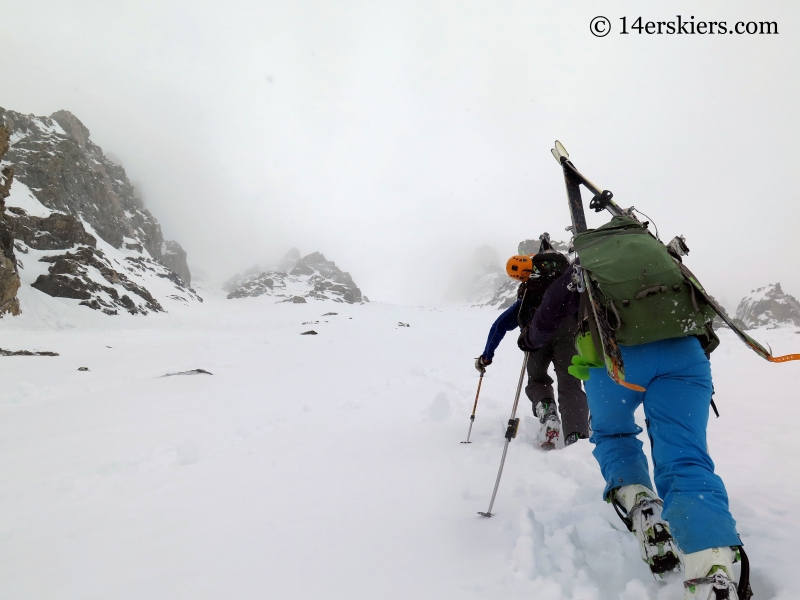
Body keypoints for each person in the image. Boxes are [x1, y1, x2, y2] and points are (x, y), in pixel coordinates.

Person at [518, 215, 746, 599]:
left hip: (615, 362)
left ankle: (640, 502)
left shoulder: (583, 268)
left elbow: (545, 320)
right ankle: (712, 568)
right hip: (684, 357)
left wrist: (531, 341)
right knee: (686, 458)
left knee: (615, 434)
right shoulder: (660, 258)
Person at [475, 248, 590, 449]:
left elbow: (499, 326)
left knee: (537, 380)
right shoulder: (566, 288)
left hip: (536, 336)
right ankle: (576, 436)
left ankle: (547, 410)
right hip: (567, 333)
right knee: (571, 384)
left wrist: (487, 356)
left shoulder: (528, 295)